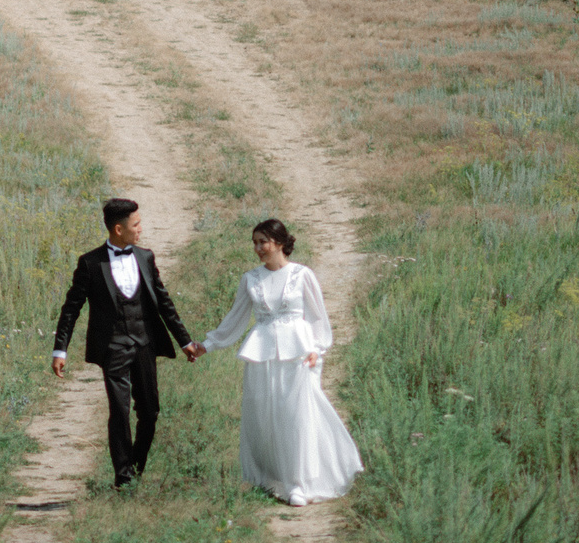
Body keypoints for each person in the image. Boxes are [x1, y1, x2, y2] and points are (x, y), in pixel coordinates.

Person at [188, 217, 363, 505]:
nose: (257, 248)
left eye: (263, 242)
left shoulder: (302, 275)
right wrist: (205, 345)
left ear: (279, 243)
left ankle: (299, 483)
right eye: (254, 243)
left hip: (299, 353)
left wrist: (317, 349)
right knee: (265, 415)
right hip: (262, 353)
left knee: (297, 414)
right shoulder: (251, 279)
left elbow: (319, 318)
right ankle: (271, 477)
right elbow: (234, 320)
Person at [50, 196, 195, 488]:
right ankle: (124, 478)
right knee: (119, 411)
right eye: (136, 224)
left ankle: (135, 466)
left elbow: (164, 303)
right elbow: (71, 308)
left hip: (144, 342)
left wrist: (185, 341)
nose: (140, 229)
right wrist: (60, 348)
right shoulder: (90, 263)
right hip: (113, 346)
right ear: (118, 229)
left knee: (150, 412)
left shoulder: (146, 257)